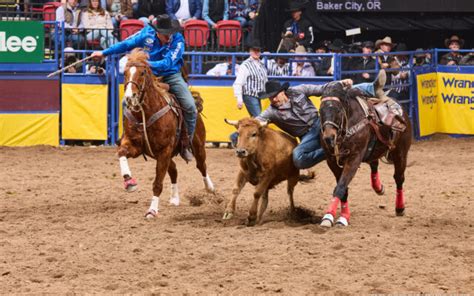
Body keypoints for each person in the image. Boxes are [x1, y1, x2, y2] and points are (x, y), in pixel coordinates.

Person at [90, 14, 196, 161]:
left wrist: (144, 64)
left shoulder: (178, 40)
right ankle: (126, 135)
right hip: (148, 76)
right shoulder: (147, 34)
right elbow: (126, 44)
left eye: (170, 33)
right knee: (125, 102)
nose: (168, 37)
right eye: (165, 34)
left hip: (171, 75)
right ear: (157, 31)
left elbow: (167, 63)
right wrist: (103, 52)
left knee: (190, 106)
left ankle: (186, 143)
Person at [255, 79, 352, 169]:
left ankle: (344, 143)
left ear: (282, 92)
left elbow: (322, 88)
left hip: (320, 122)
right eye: (271, 98)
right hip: (307, 136)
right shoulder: (271, 112)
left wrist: (341, 82)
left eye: (275, 96)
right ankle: (330, 151)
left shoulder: (298, 90)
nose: (274, 100)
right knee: (298, 158)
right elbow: (254, 122)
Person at [230, 42, 267, 145]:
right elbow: (238, 83)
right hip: (249, 95)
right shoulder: (245, 65)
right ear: (250, 52)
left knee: (255, 121)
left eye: (258, 51)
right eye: (254, 50)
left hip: (258, 95)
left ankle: (235, 137)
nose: (256, 52)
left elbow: (264, 80)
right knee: (259, 120)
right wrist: (239, 98)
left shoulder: (261, 64)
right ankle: (235, 137)